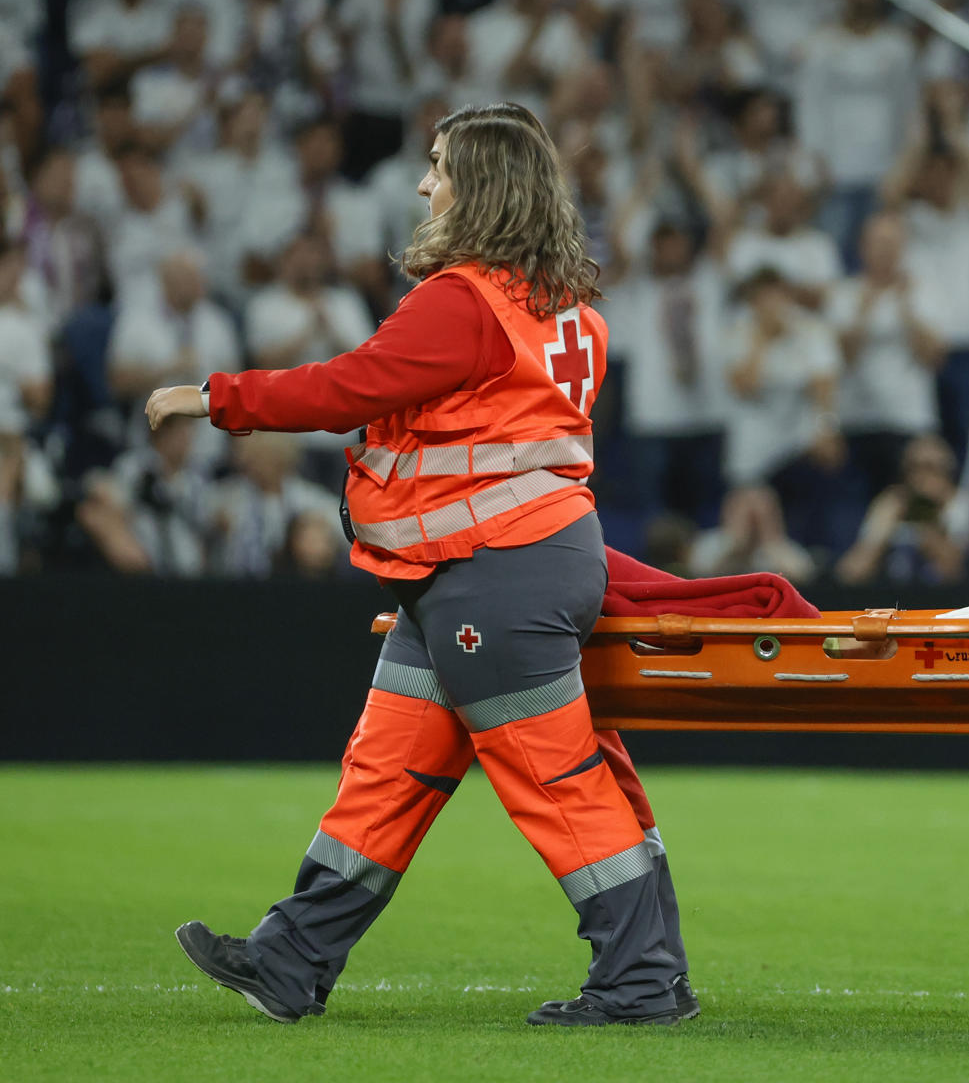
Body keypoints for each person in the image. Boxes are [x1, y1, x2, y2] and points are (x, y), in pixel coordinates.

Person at [147, 103, 693, 1028]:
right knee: (387, 772)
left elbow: (350, 386)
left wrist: (216, 397)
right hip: (484, 566)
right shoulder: (565, 310)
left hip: (496, 571)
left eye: (437, 166)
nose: (421, 183)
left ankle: (642, 982)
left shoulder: (464, 301)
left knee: (556, 784)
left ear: (476, 188)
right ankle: (291, 958)